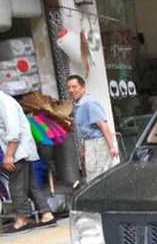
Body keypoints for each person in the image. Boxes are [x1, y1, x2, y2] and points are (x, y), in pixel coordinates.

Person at [0, 88, 56, 233]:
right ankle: (46, 213)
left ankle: (22, 219)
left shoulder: (4, 103)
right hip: (21, 150)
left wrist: (9, 155)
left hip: (17, 151)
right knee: (31, 185)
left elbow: (13, 131)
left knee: (16, 185)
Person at [67, 75, 119, 182]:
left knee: (100, 176)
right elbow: (85, 132)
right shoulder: (79, 105)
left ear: (83, 87)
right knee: (93, 176)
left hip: (99, 144)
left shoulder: (89, 103)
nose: (71, 90)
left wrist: (111, 147)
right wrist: (83, 149)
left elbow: (103, 126)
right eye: (69, 87)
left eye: (74, 86)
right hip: (90, 144)